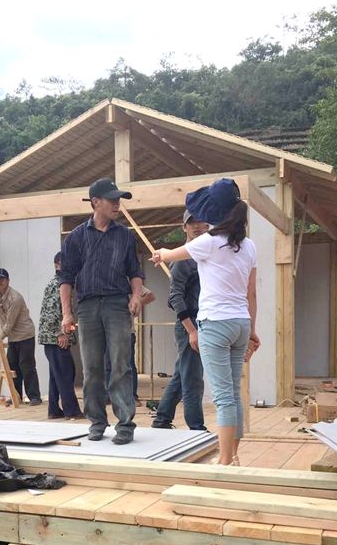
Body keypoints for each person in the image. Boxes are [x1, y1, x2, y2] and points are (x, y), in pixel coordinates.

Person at [150, 178, 260, 466]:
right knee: (234, 394)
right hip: (240, 323)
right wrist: (252, 330)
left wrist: (159, 254)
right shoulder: (249, 246)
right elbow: (251, 293)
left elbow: (170, 255)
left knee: (223, 398)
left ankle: (224, 461)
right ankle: (233, 456)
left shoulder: (208, 242)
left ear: (214, 211)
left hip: (214, 324)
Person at [59, 178, 144, 445]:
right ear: (96, 202)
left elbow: (135, 271)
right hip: (86, 307)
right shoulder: (76, 237)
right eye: (112, 199)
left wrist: (136, 296)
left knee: (121, 364)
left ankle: (125, 424)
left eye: (119, 199)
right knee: (92, 367)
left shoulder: (125, 236)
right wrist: (66, 313)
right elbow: (66, 278)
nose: (117, 204)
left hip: (117, 304)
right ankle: (96, 421)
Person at [152, 210, 209, 430]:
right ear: (184, 227)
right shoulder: (182, 260)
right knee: (193, 377)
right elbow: (175, 297)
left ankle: (162, 418)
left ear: (207, 226)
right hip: (189, 322)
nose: (196, 226)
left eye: (200, 222)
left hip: (202, 320)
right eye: (191, 223)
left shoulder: (206, 255)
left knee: (182, 373)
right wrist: (191, 330)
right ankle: (196, 427)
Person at [38, 252, 84, 420]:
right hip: (55, 338)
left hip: (53, 337)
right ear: (57, 265)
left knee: (56, 375)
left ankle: (53, 409)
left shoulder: (60, 282)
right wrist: (60, 333)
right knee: (65, 374)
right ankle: (71, 410)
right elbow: (51, 311)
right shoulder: (58, 283)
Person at [0, 268, 42, 406]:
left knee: (26, 365)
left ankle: (34, 397)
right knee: (12, 366)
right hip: (13, 337)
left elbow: (9, 324)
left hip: (25, 335)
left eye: (1, 279)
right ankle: (16, 395)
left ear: (8, 281)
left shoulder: (15, 298)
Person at [105, 283, 155, 407]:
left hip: (127, 330)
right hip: (108, 330)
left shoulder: (128, 282)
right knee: (108, 365)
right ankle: (109, 395)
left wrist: (136, 303)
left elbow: (150, 296)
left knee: (129, 365)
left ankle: (132, 396)